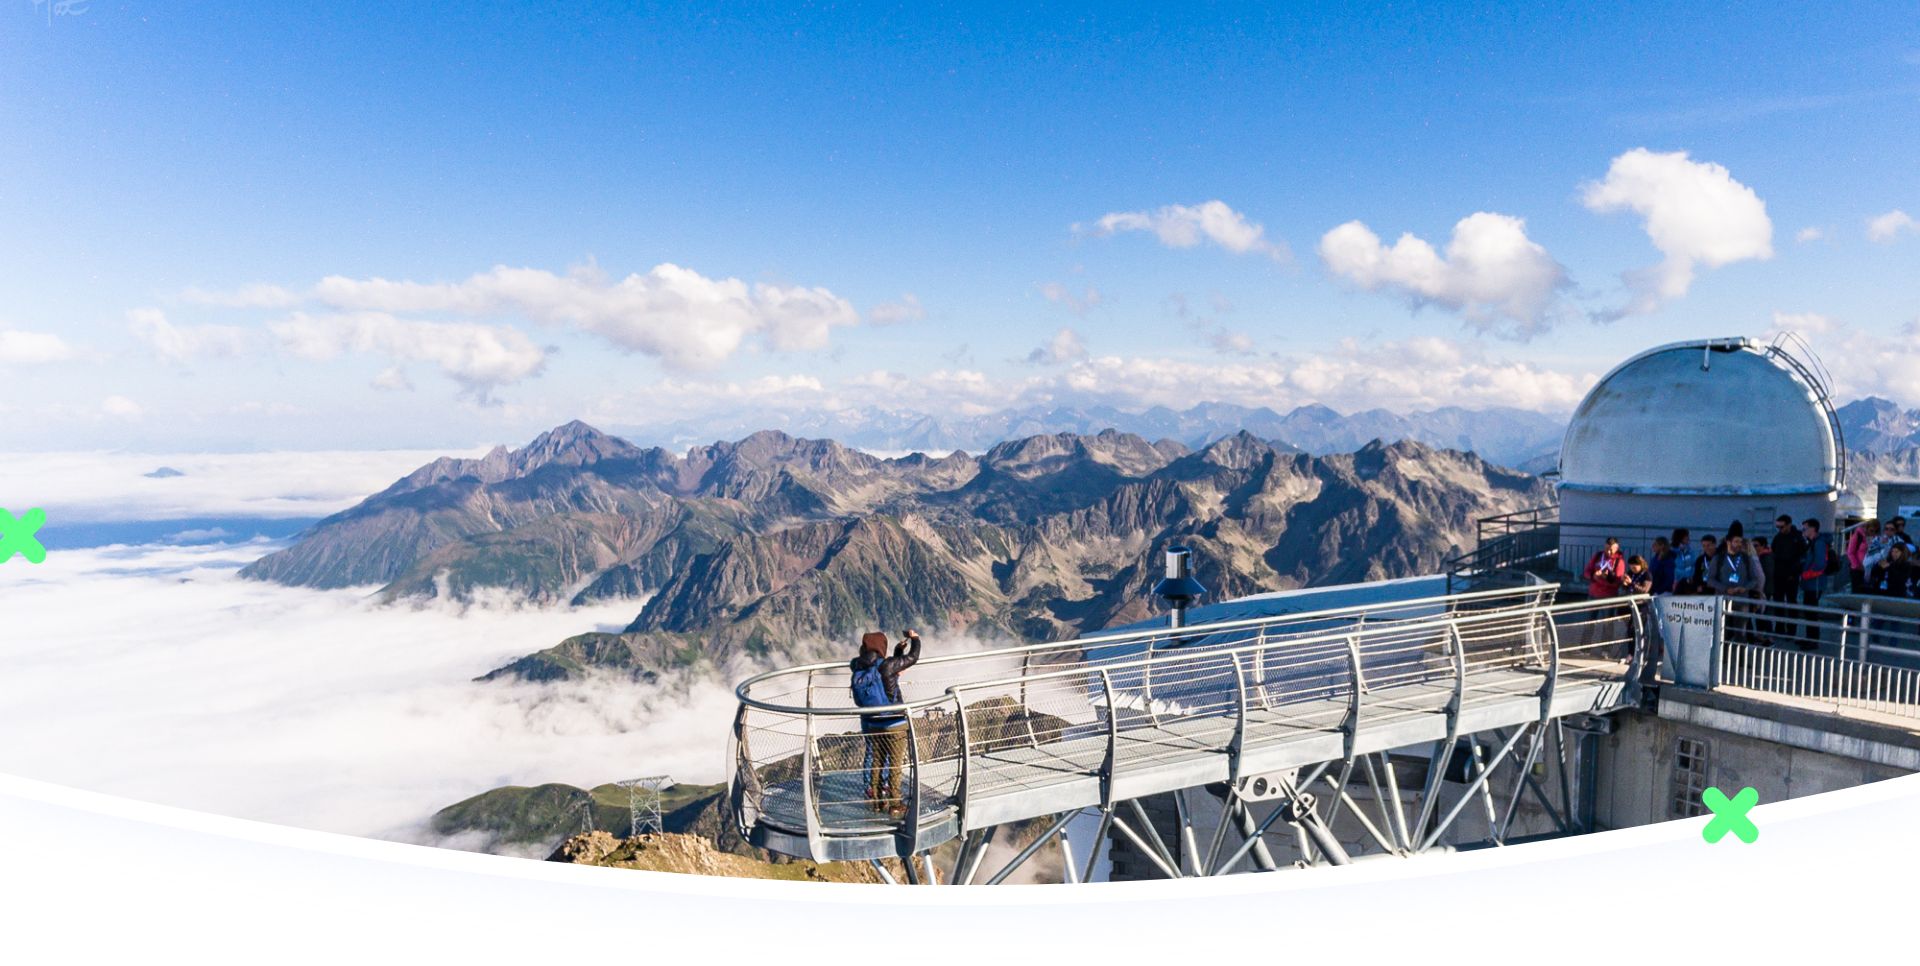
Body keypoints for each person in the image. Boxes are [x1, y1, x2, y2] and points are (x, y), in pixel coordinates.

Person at [848, 629, 922, 818]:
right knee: (895, 765)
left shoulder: (857, 666)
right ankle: (896, 803)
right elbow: (913, 657)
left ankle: (877, 801)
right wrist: (915, 638)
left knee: (877, 762)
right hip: (895, 722)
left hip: (873, 723)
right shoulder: (888, 665)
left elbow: (883, 672)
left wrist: (898, 652)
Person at [1769, 514, 1806, 615]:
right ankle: (1779, 626)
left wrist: (1794, 573)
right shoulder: (1778, 538)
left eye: (1781, 527)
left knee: (1791, 601)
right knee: (1778, 601)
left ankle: (1791, 629)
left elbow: (1802, 557)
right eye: (1778, 527)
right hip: (1779, 575)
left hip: (1792, 576)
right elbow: (1773, 553)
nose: (1779, 529)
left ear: (1789, 525)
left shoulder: (1798, 539)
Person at [1846, 520, 1880, 594]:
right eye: (1871, 530)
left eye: (1876, 531)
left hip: (1871, 569)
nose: (1873, 533)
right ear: (1867, 528)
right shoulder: (1858, 536)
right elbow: (1850, 552)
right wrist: (1857, 565)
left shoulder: (1877, 538)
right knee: (1857, 591)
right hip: (1858, 570)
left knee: (1869, 591)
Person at [1668, 528, 1695, 593]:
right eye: (1686, 536)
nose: (1688, 538)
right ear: (1680, 538)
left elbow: (1692, 564)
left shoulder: (1689, 550)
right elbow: (1674, 567)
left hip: (1689, 581)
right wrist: (1676, 580)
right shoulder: (1672, 552)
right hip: (1677, 581)